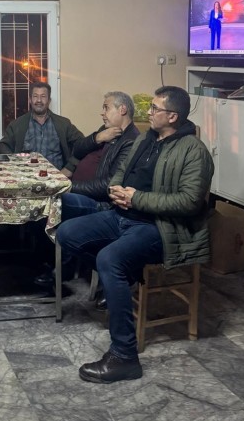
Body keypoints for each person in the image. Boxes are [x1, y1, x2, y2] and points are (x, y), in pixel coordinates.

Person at [55, 85, 213, 383]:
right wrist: (116, 190)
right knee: (67, 233)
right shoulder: (145, 138)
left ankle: (124, 356)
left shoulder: (194, 151)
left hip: (160, 228)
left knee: (109, 259)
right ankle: (124, 276)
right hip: (122, 215)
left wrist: (137, 199)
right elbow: (121, 171)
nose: (148, 112)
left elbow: (189, 202)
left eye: (154, 108)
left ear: (173, 116)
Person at [33, 90, 140, 289]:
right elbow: (78, 149)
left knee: (56, 202)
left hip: (103, 203)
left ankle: (65, 269)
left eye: (106, 108)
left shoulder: (131, 141)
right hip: (85, 192)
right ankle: (49, 263)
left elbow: (108, 185)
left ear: (123, 109)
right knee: (45, 202)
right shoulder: (107, 131)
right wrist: (97, 137)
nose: (102, 113)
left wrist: (69, 187)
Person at [0, 82, 85, 176]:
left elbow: (83, 145)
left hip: (56, 178)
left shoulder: (63, 124)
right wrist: (15, 164)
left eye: (43, 96)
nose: (39, 100)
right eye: (35, 96)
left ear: (49, 100)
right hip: (26, 178)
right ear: (30, 100)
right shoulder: (17, 124)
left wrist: (70, 168)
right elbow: (2, 146)